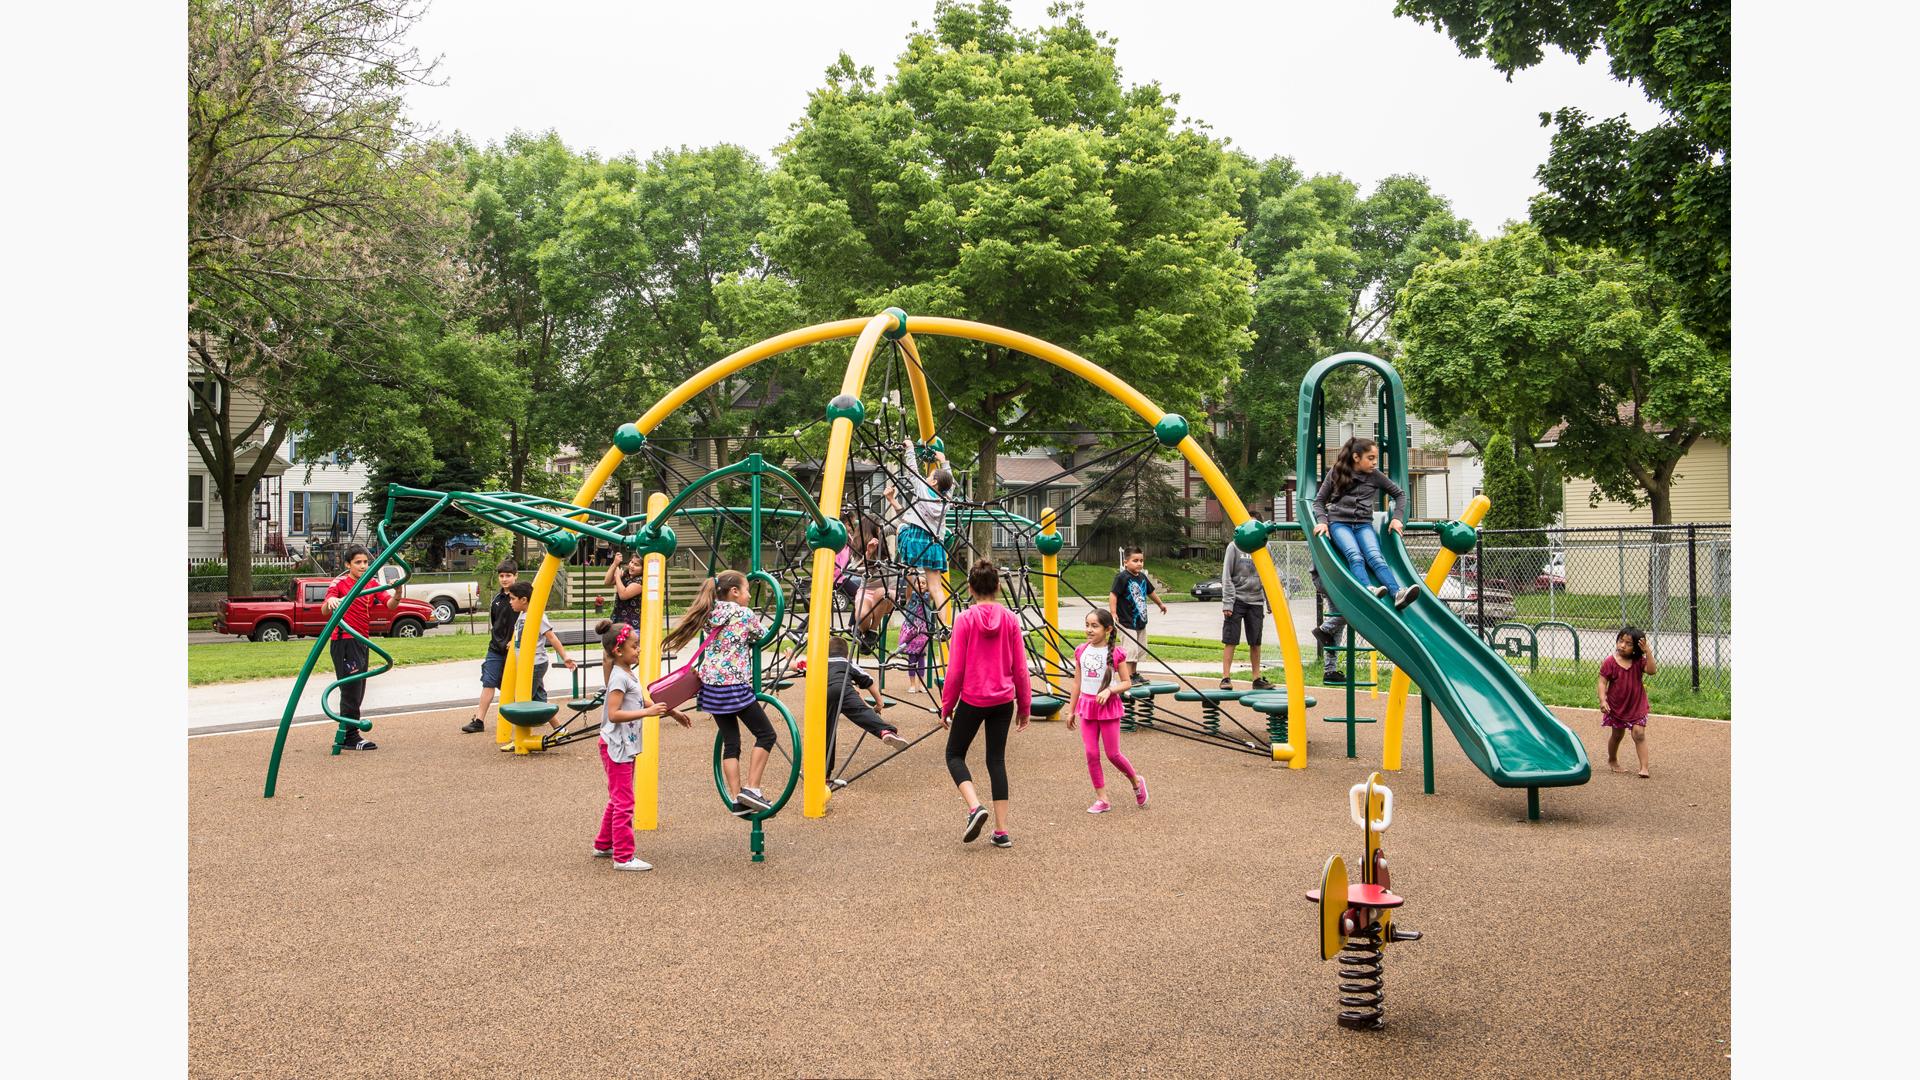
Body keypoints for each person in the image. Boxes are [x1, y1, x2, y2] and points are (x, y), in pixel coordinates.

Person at [661, 570, 778, 815]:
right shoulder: (743, 613)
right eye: (746, 590)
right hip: (734, 686)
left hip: (711, 690)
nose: (748, 596)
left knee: (731, 743)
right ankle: (752, 789)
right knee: (766, 734)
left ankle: (737, 799)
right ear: (734, 592)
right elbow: (763, 635)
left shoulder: (709, 613)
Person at [940, 559, 1033, 849]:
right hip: (1003, 700)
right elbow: (1021, 668)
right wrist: (1025, 706)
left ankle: (974, 807)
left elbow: (955, 670)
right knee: (996, 760)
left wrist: (947, 705)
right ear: (998, 587)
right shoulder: (1010, 619)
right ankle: (1002, 830)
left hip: (973, 698)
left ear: (970, 588)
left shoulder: (964, 620)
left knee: (954, 754)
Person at [592, 618, 692, 871]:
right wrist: (648, 715)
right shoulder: (618, 679)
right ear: (618, 650)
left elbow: (641, 702)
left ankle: (604, 844)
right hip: (616, 746)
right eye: (634, 646)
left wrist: (671, 712)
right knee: (624, 802)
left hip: (624, 745)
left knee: (618, 798)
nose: (638, 650)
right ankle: (623, 857)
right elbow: (613, 713)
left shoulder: (627, 674)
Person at [1312, 436, 1420, 610]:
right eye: (1370, 458)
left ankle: (1397, 593)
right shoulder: (1336, 473)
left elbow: (1400, 494)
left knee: (1376, 557)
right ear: (1356, 457)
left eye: (1376, 458)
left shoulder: (1375, 476)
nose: (1374, 463)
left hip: (1363, 525)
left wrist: (1397, 518)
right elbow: (1318, 502)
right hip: (1339, 523)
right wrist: (1322, 521)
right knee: (1355, 555)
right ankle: (1367, 588)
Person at [1067, 608, 1148, 814]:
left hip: (1108, 707)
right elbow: (1077, 683)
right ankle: (1102, 799)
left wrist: (1110, 690)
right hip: (1087, 707)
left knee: (1113, 754)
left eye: (1094, 626)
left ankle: (1136, 781)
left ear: (1108, 629)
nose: (1089, 630)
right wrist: (1071, 710)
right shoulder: (1081, 651)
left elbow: (1127, 682)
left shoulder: (1116, 653)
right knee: (1091, 754)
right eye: (1087, 625)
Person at [322, 545, 402, 751]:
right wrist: (331, 600)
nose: (363, 566)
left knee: (359, 688)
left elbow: (391, 605)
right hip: (344, 640)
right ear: (348, 564)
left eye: (365, 562)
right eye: (358, 562)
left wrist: (398, 591)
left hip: (361, 641)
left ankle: (349, 732)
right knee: (350, 689)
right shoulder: (340, 583)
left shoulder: (371, 583)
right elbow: (324, 609)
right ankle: (350, 735)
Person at [496, 581, 580, 748]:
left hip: (535, 664)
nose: (510, 602)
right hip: (528, 664)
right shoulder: (522, 615)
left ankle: (520, 738)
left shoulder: (537, 616)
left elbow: (551, 637)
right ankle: (560, 730)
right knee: (539, 700)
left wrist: (565, 656)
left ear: (524, 600)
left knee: (521, 700)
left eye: (513, 599)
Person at [884, 436, 955, 622]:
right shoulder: (946, 500)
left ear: (933, 483)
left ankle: (907, 579)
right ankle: (945, 625)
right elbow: (951, 485)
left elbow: (912, 471)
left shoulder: (923, 489)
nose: (927, 478)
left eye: (930, 477)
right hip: (934, 545)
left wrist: (909, 449)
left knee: (901, 529)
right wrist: (944, 462)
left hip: (915, 541)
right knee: (936, 587)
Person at [822, 637, 907, 782]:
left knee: (827, 733)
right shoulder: (848, 663)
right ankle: (885, 731)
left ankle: (824, 772)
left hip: (824, 695)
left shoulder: (819, 662)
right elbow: (869, 681)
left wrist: (790, 659)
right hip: (844, 689)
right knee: (862, 712)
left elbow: (798, 666)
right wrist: (879, 703)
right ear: (846, 654)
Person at [462, 560, 520, 733]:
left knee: (520, 686)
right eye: (501, 576)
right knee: (489, 682)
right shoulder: (497, 599)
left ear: (516, 576)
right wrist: (499, 641)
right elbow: (496, 624)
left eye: (508, 575)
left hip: (515, 649)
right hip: (496, 649)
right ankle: (479, 720)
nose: (504, 579)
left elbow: (526, 623)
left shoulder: (521, 598)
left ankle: (526, 713)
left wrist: (515, 639)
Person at [1598, 626, 1656, 778]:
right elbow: (1602, 682)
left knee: (1639, 733)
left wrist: (1647, 651)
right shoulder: (1610, 662)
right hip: (1617, 707)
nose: (1622, 645)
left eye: (1628, 643)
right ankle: (1612, 759)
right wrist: (1603, 700)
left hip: (1637, 705)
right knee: (1617, 735)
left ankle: (1644, 767)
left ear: (1636, 648)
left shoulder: (1639, 662)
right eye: (1621, 641)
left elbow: (1651, 671)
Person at [1219, 542, 1274, 691]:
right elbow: (1226, 576)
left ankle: (1256, 679)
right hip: (1237, 599)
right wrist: (1228, 603)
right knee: (1231, 639)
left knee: (1256, 641)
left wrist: (1270, 602)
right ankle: (1225, 678)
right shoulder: (1234, 546)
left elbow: (1269, 575)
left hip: (1256, 600)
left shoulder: (1264, 546)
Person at [1108, 548, 1166, 686]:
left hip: (1140, 621)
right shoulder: (1122, 577)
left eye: (1141, 561)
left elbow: (1150, 592)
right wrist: (1113, 612)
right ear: (1126, 562)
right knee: (1130, 650)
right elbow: (1113, 594)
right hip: (1126, 621)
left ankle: (1134, 674)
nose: (1139, 563)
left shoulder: (1142, 577)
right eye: (1135, 561)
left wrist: (1160, 604)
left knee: (1139, 649)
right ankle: (1127, 677)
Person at [896, 570, 937, 696]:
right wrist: (910, 573)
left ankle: (921, 684)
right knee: (912, 658)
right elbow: (909, 585)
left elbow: (933, 586)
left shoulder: (928, 597)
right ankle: (912, 684)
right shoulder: (911, 596)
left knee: (921, 658)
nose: (922, 585)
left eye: (924, 583)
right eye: (919, 582)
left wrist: (929, 573)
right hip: (912, 631)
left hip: (923, 631)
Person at [1306, 566, 1348, 683]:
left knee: (1337, 621)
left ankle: (1330, 671)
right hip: (1327, 577)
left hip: (1327, 577)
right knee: (1350, 613)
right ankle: (1323, 629)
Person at [605, 550, 646, 632]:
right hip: (617, 620)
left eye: (636, 565)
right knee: (615, 644)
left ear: (643, 569)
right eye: (631, 562)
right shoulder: (626, 574)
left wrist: (617, 576)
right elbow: (607, 581)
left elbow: (623, 595)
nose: (631, 566)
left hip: (632, 625)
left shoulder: (641, 581)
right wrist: (615, 564)